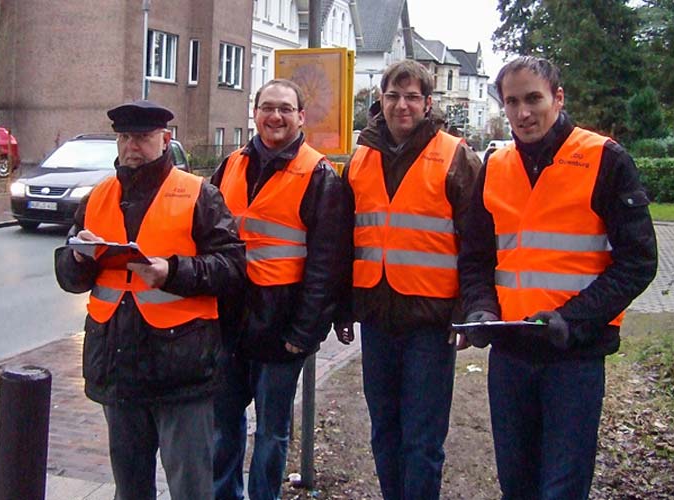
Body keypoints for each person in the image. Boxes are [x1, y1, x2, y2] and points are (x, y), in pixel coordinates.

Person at [458, 56, 658, 499]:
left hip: (573, 357)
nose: (523, 113)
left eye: (534, 99)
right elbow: (474, 257)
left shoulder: (604, 159)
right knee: (517, 484)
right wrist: (479, 309)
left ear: (558, 98)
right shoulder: (495, 166)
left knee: (562, 488)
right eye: (512, 102)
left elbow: (639, 261)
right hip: (510, 353)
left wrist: (575, 318)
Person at [54, 99, 245, 500]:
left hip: (182, 370)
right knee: (130, 490)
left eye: (141, 137)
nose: (131, 147)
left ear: (164, 139)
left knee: (191, 487)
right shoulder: (99, 197)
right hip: (118, 367)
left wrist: (172, 272)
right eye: (124, 137)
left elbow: (232, 268)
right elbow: (69, 277)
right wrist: (75, 257)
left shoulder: (198, 195)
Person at [334, 59, 482, 499]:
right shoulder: (360, 159)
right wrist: (343, 307)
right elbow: (347, 241)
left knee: (421, 439)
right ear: (381, 100)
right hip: (378, 318)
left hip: (431, 322)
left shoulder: (455, 156)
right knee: (384, 431)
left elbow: (476, 243)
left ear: (427, 103)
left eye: (412, 97)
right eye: (393, 96)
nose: (402, 105)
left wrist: (467, 311)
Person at [210, 79, 348, 500]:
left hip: (281, 327)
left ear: (301, 117)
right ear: (254, 113)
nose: (275, 116)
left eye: (286, 109)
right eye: (268, 107)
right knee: (223, 427)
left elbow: (327, 265)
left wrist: (304, 335)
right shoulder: (231, 164)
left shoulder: (319, 174)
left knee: (271, 434)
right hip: (229, 321)